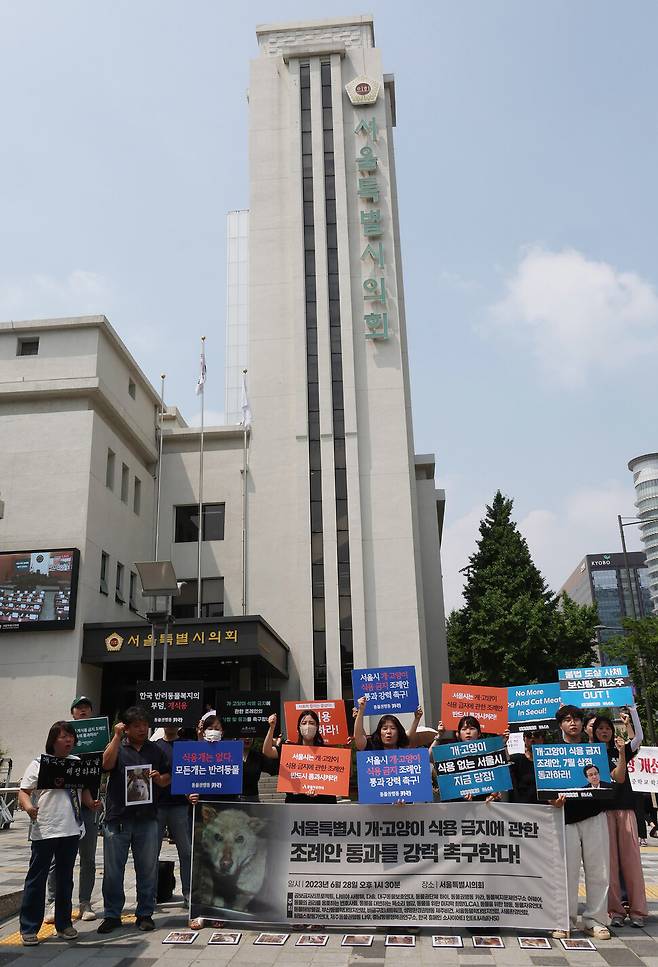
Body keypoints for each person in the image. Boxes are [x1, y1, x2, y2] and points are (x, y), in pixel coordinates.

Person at [551, 704, 625, 942]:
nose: (573, 723)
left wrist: (622, 753)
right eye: (567, 719)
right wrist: (554, 799)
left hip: (595, 815)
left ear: (583, 724)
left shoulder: (595, 750)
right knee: (566, 872)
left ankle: (595, 920)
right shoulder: (552, 751)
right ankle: (564, 920)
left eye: (577, 719)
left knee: (599, 871)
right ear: (560, 724)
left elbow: (616, 779)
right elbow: (546, 788)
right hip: (566, 818)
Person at [18, 721, 95, 946]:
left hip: (71, 828)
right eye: (63, 737)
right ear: (53, 740)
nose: (69, 741)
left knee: (65, 878)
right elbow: (23, 791)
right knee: (37, 878)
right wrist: (29, 807)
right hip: (45, 828)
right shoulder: (38, 763)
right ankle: (30, 927)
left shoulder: (77, 763)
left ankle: (64, 924)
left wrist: (92, 803)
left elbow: (85, 792)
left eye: (71, 737)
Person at [97, 706, 171, 935]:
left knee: (147, 868)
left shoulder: (156, 750)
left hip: (147, 819)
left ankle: (145, 913)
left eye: (145, 724)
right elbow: (106, 765)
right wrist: (116, 738)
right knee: (113, 870)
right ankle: (112, 914)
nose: (142, 729)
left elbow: (168, 778)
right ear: (126, 728)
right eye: (136, 725)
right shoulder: (118, 746)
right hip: (118, 818)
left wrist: (159, 779)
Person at [44, 696, 101, 924]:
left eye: (87, 708)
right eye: (79, 708)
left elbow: (103, 766)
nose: (83, 711)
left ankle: (85, 902)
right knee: (57, 859)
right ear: (73, 712)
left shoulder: (99, 736)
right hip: (61, 809)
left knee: (88, 858)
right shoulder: (62, 736)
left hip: (87, 804)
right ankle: (53, 902)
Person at [592, 707, 648, 928]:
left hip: (626, 810)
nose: (604, 731)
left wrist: (632, 714)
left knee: (632, 862)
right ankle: (615, 911)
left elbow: (640, 737)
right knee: (610, 865)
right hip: (603, 812)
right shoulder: (591, 752)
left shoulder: (622, 748)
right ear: (594, 732)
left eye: (607, 728)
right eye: (600, 728)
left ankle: (638, 911)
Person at [263, 710, 337, 803]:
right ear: (299, 727)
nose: (308, 726)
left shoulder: (327, 752)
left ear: (317, 727)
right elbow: (267, 751)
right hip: (296, 804)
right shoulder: (289, 751)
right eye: (304, 723)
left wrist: (320, 789)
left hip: (323, 804)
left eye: (311, 723)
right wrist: (271, 728)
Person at [155, 725, 192, 906]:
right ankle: (150, 894)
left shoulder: (187, 745)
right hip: (158, 805)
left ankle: (188, 893)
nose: (170, 725)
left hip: (180, 805)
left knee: (186, 852)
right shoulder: (154, 746)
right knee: (151, 852)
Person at [353, 695, 423, 751]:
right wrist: (361, 710)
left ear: (398, 732)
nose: (388, 732)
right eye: (385, 728)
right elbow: (359, 738)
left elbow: (409, 737)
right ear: (379, 732)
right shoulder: (371, 747)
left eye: (393, 728)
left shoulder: (403, 750)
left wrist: (417, 718)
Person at [509, 731, 547, 803]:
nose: (532, 739)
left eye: (536, 735)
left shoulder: (551, 761)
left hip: (546, 807)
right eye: (529, 735)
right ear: (524, 739)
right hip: (522, 807)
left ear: (542, 739)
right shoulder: (516, 759)